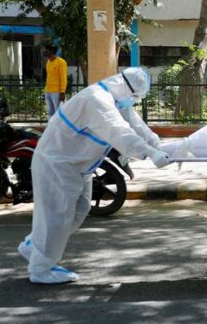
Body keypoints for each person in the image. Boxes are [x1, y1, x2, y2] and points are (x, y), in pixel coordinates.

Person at [18, 67, 172, 284]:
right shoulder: (97, 100)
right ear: (126, 88)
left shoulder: (116, 99)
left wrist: (156, 142)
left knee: (80, 210)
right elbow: (120, 132)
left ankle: (34, 245)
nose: (135, 101)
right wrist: (150, 152)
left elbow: (134, 122)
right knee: (57, 217)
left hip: (78, 166)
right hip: (58, 165)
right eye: (136, 97)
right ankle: (40, 269)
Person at [42, 44, 68, 117]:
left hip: (57, 92)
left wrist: (62, 92)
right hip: (48, 91)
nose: (44, 51)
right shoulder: (48, 62)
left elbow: (63, 78)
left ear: (52, 51)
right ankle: (51, 127)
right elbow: (49, 77)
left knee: (59, 112)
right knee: (50, 112)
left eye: (47, 50)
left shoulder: (61, 62)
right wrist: (45, 90)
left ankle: (60, 128)